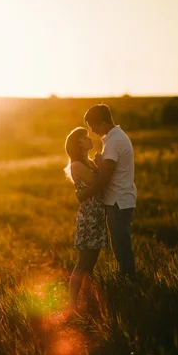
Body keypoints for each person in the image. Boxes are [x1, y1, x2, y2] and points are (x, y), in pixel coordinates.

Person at [76, 104, 137, 279]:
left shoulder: (114, 142)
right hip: (120, 200)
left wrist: (82, 195)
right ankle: (128, 281)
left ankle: (129, 283)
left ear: (102, 123)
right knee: (120, 246)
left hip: (118, 202)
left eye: (93, 126)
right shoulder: (115, 138)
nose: (93, 131)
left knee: (121, 248)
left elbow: (104, 179)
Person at [63, 127, 107, 317]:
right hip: (89, 217)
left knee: (90, 265)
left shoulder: (87, 162)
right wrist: (103, 165)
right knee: (83, 264)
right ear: (78, 143)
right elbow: (100, 182)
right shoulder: (77, 165)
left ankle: (87, 303)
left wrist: (99, 164)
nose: (90, 139)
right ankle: (72, 306)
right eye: (85, 137)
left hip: (96, 216)